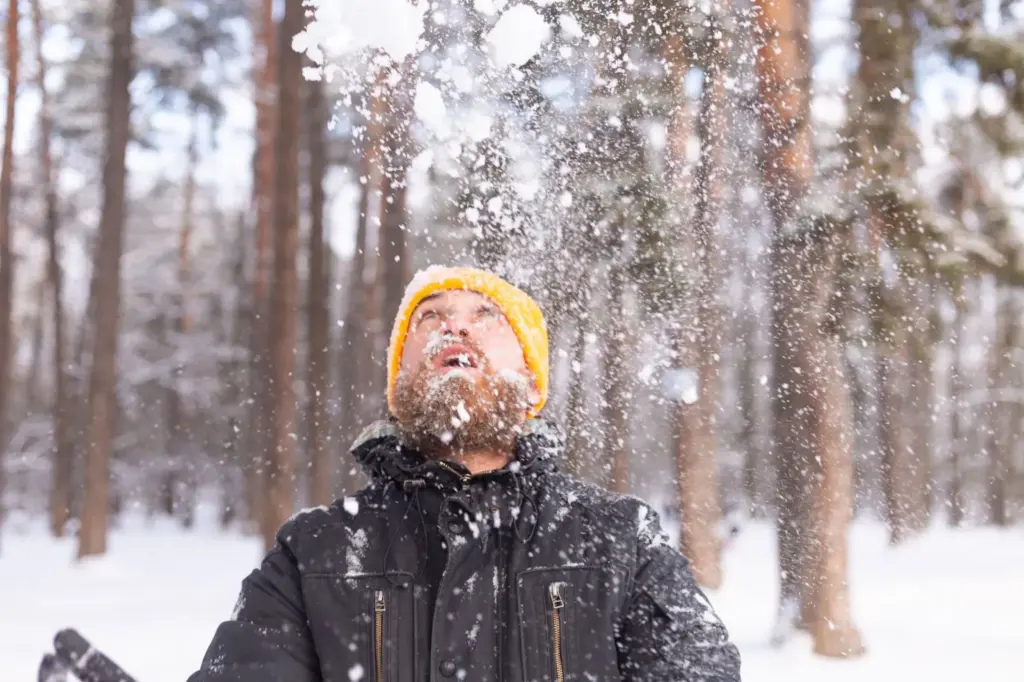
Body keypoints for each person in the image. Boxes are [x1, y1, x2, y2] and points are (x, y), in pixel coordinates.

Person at [187, 266, 741, 682]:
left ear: (531, 381)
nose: (454, 325)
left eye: (485, 316)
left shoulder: (619, 540)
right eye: (430, 317)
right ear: (398, 388)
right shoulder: (314, 552)